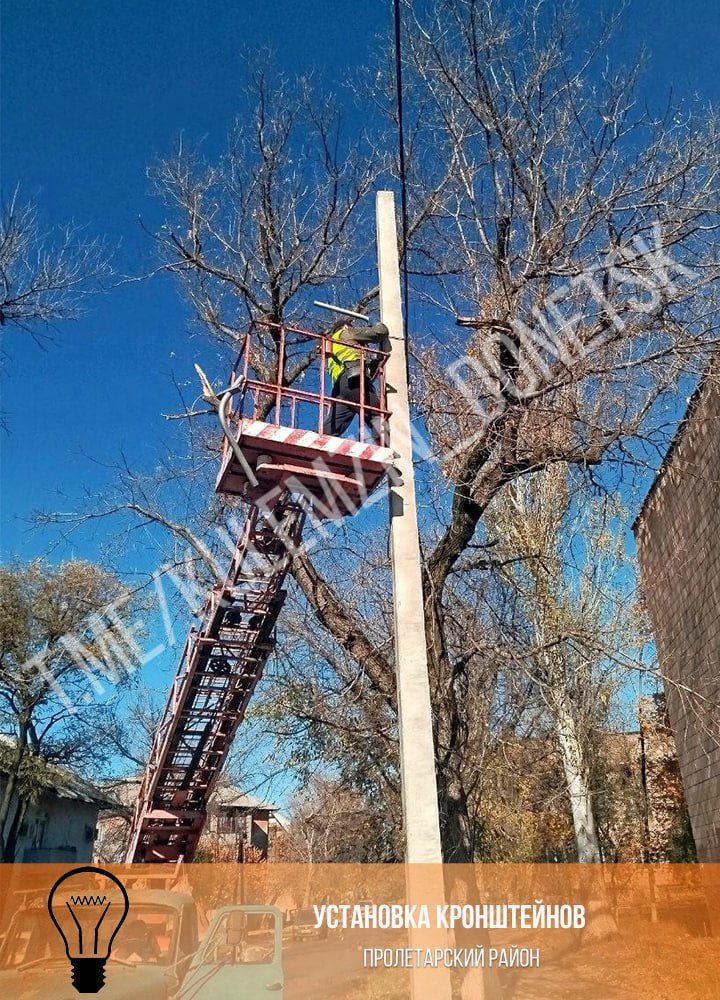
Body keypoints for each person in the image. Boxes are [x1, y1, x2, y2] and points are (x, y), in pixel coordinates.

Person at [322, 319, 391, 442]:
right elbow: (381, 332)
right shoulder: (347, 333)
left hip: (340, 389)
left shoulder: (333, 343)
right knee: (377, 414)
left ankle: (318, 440)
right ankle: (385, 448)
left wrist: (376, 360)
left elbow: (368, 367)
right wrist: (378, 326)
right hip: (355, 381)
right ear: (344, 326)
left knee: (334, 425)